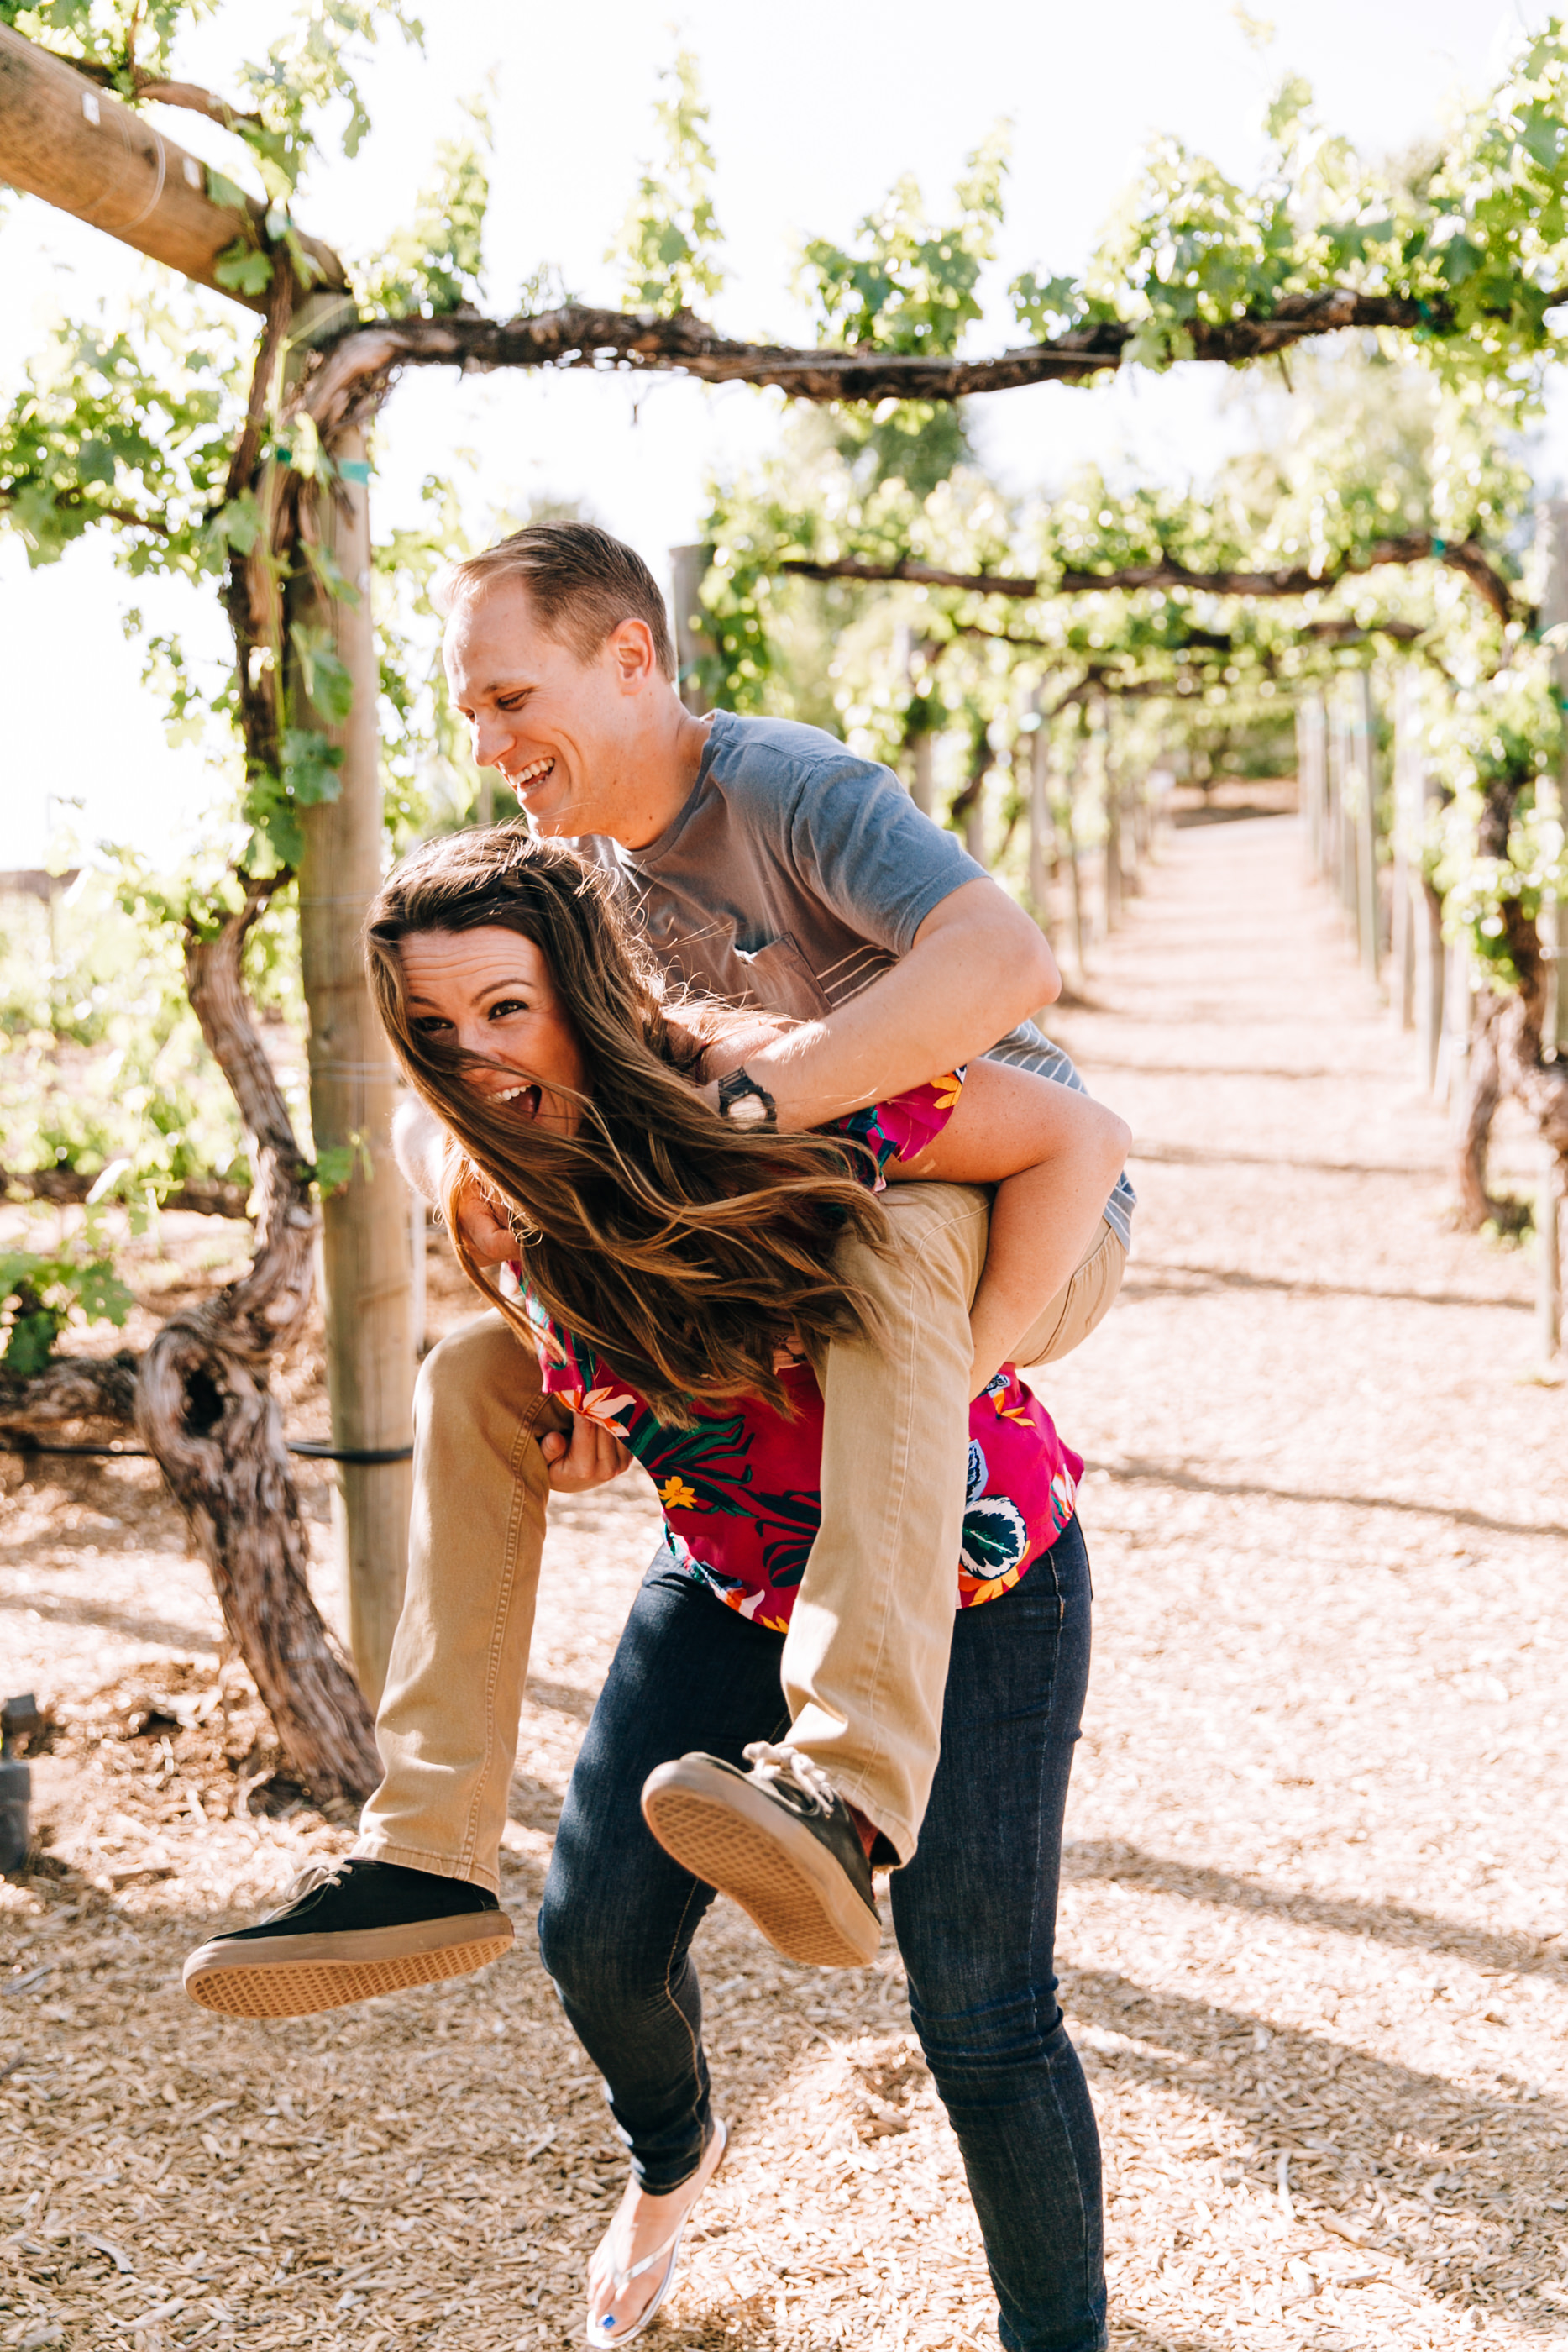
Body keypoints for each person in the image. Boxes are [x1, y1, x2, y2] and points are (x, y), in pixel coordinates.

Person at [181, 521, 1134, 2010]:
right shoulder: (567, 864)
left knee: (893, 1247)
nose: (484, 737)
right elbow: (535, 1074)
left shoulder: (783, 788)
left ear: (632, 657)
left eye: (508, 698)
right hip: (785, 1220)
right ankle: (425, 1844)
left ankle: (847, 1782)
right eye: (468, 709)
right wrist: (506, 1243)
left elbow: (1006, 969)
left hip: (993, 1184)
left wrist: (758, 1108)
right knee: (473, 1377)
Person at [371, 830, 1119, 2352]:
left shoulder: (767, 1086)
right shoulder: (483, 1177)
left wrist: (965, 1367)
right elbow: (621, 1354)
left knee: (979, 2015)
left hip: (977, 1579)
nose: (476, 1056)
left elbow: (1074, 1139)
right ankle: (674, 2149)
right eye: (437, 1029)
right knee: (591, 1933)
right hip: (728, 1573)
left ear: (582, 989)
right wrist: (587, 1423)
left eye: (506, 1010)